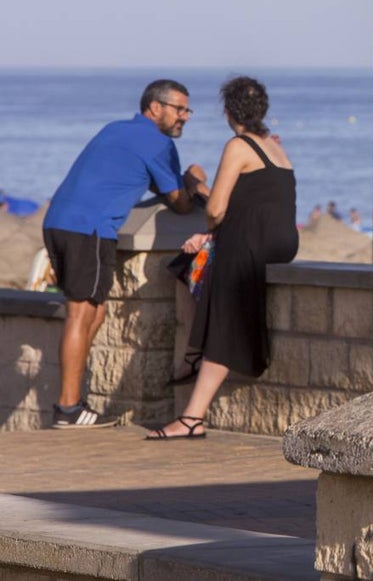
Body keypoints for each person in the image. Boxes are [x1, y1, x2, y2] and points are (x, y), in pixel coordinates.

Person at [43, 79, 207, 429]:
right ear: (155, 107)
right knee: (81, 314)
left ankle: (74, 404)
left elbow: (128, 176)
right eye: (179, 109)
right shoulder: (158, 143)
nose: (185, 117)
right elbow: (179, 204)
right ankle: (68, 408)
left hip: (59, 221)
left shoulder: (116, 130)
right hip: (88, 229)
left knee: (95, 312)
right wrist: (192, 181)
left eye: (187, 110)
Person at [147, 76, 297, 440]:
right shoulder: (275, 147)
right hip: (282, 242)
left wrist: (199, 196)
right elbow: (257, 204)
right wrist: (211, 235)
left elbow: (215, 209)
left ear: (229, 112)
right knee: (191, 264)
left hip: (250, 244)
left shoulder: (239, 145)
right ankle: (194, 355)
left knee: (216, 307)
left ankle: (191, 413)